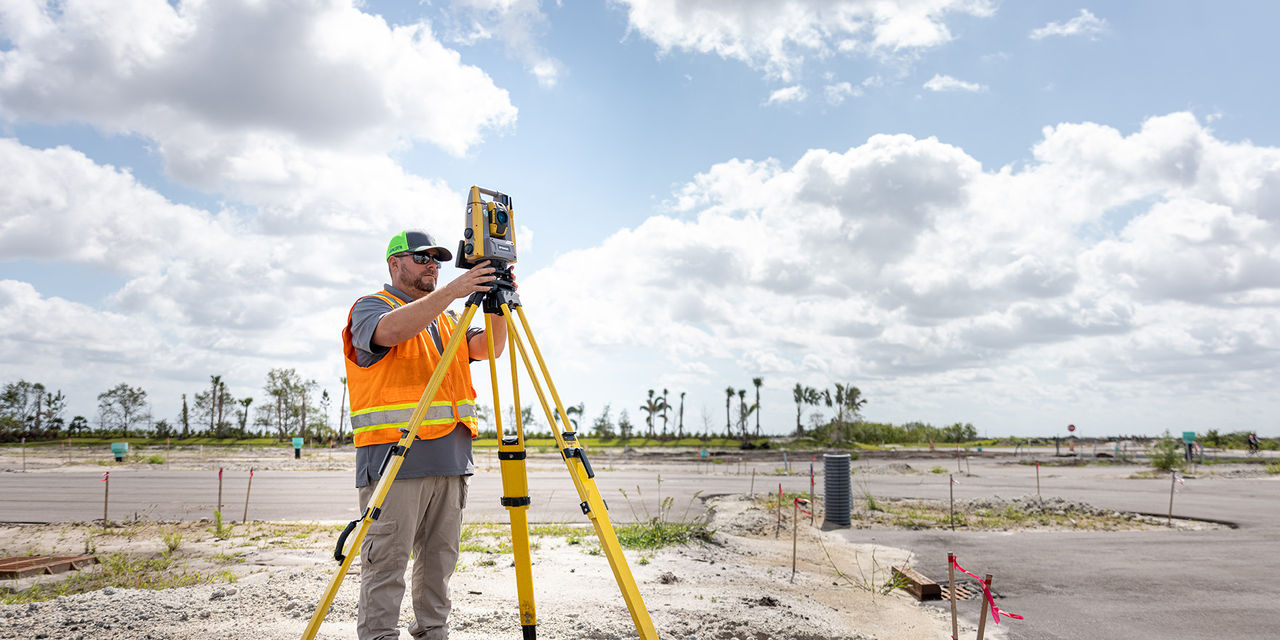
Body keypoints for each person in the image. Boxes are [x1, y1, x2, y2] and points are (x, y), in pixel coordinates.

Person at [342, 229, 509, 640]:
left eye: (437, 259)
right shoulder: (371, 307)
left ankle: (433, 631)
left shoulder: (449, 319)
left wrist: (498, 302)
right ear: (394, 264)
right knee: (387, 561)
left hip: (451, 460)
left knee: (439, 560)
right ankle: (380, 635)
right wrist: (453, 291)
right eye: (422, 258)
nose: (432, 265)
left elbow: (491, 348)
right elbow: (389, 333)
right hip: (394, 461)